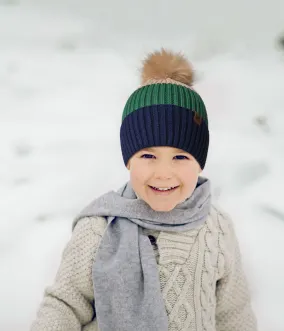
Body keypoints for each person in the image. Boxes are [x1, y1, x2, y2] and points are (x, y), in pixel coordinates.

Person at [31, 48, 258, 331]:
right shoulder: (99, 228)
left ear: (200, 163)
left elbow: (234, 314)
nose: (163, 173)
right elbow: (64, 304)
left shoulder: (217, 229)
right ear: (128, 160)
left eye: (180, 157)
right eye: (148, 156)